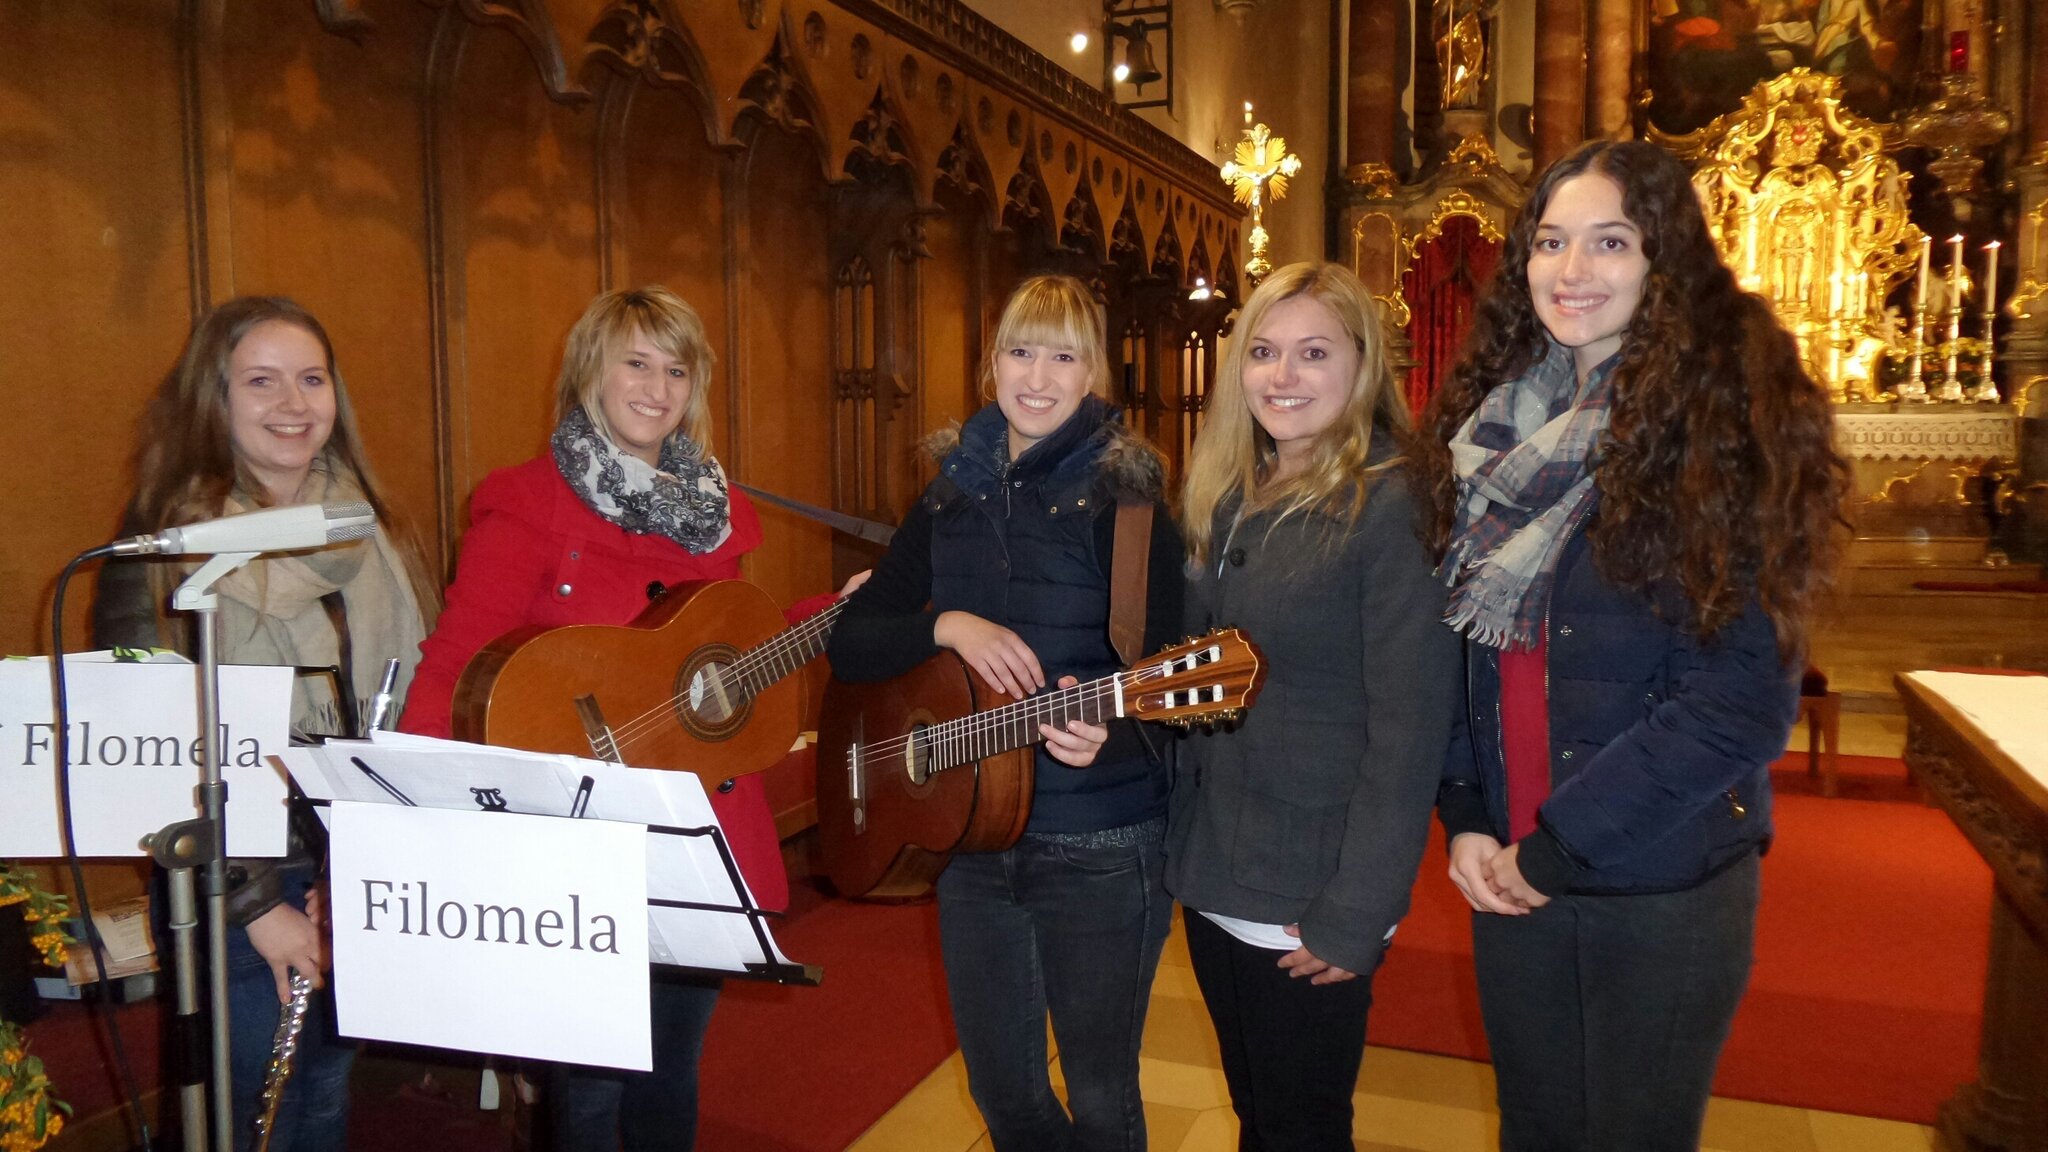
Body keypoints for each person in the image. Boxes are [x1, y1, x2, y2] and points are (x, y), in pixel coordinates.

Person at [1419, 140, 1847, 1151]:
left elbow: (1736, 704)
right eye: (1549, 242)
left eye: (1608, 242)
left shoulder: (1719, 433)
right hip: (1510, 866)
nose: (1570, 271)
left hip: (1653, 886)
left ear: (1664, 261)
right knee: (1532, 1132)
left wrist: (1557, 850)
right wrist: (1468, 812)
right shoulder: (1491, 430)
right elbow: (1458, 648)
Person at [401, 284, 850, 1152]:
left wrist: (836, 611)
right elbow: (458, 656)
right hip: (572, 827)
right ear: (590, 373)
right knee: (595, 1087)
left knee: (672, 1070)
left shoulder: (714, 513)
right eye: (635, 363)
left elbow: (724, 659)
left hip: (694, 825)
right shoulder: (527, 501)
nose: (656, 387)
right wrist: (418, 802)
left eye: (676, 368)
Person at [825, 274, 1184, 1152]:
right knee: (1005, 1092)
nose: (1038, 375)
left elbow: (1173, 681)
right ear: (990, 365)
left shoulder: (1130, 504)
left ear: (1093, 370)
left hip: (1099, 844)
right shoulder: (952, 493)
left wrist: (1112, 727)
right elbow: (851, 642)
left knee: (1100, 1097)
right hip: (972, 835)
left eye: (1063, 355)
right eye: (1021, 350)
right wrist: (945, 622)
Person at [94, 295, 438, 1152]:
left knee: (322, 1089)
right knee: (250, 1113)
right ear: (215, 398)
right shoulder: (164, 544)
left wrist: (372, 861)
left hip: (350, 858)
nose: (295, 403)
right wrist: (256, 906)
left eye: (312, 379)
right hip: (234, 880)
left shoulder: (374, 527)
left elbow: (419, 698)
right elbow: (150, 748)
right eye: (262, 381)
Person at [1166, 262, 1460, 1151]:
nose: (1281, 376)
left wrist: (1357, 912)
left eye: (1312, 353)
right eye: (1262, 352)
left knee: (1302, 1128)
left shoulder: (1394, 502)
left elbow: (1410, 732)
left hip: (1308, 884)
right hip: (1216, 861)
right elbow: (1191, 673)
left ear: (1363, 368)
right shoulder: (1228, 492)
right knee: (1260, 1113)